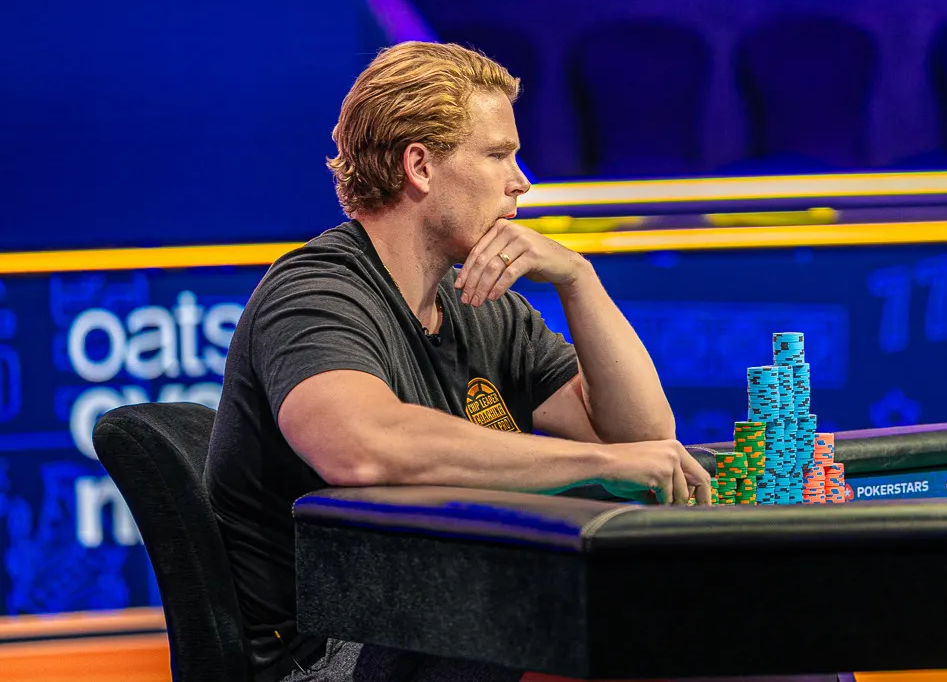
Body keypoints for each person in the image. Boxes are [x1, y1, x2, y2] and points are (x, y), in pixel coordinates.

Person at [204, 41, 712, 682]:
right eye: (498, 155)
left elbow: (641, 438)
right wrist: (601, 466)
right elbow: (361, 446)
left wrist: (579, 279)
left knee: (681, 621)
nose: (521, 181)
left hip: (424, 617)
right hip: (328, 652)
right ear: (419, 165)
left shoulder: (482, 306)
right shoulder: (315, 292)